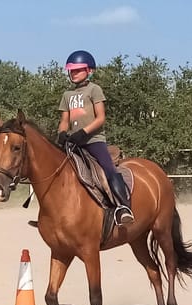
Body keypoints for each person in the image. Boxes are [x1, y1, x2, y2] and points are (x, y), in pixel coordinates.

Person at [57, 50, 134, 225]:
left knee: (108, 170)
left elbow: (100, 118)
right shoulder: (67, 95)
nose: (73, 73)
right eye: (71, 70)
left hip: (93, 141)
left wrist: (83, 132)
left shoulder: (94, 89)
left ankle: (124, 207)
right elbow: (64, 120)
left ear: (89, 70)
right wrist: (62, 133)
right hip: (73, 143)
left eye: (78, 70)